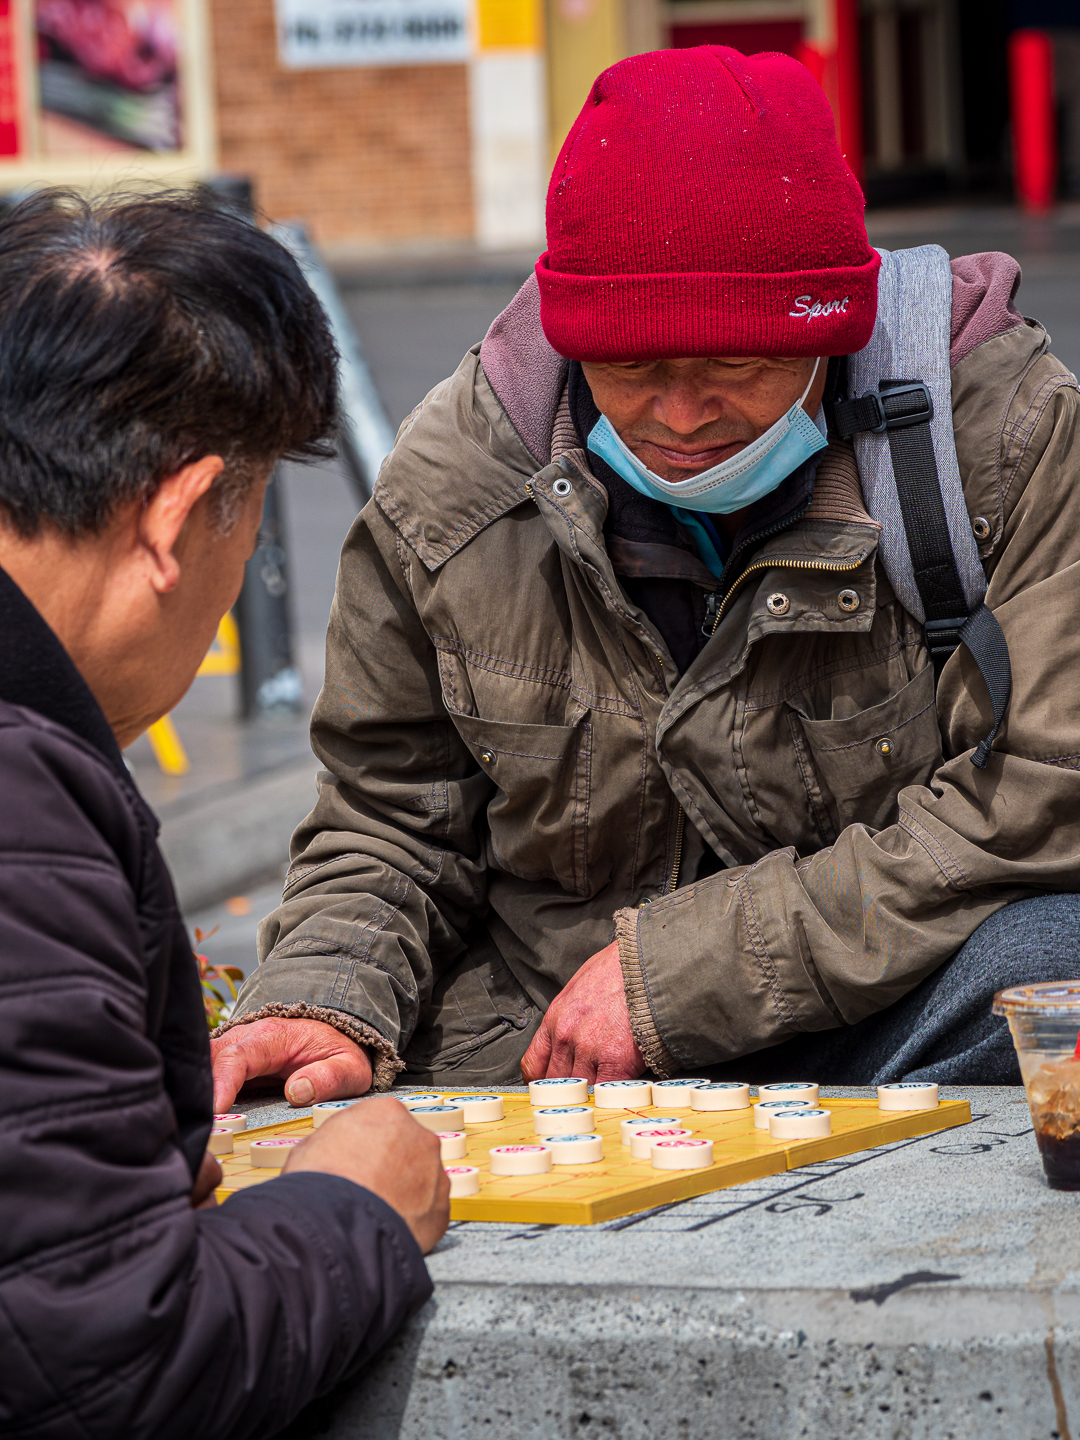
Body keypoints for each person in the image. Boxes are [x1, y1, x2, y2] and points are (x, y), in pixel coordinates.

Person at [212, 45, 1080, 1113]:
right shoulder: (458, 487)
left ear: (833, 337)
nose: (680, 418)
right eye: (632, 370)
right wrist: (319, 995)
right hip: (552, 1051)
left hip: (880, 1019)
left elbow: (1046, 795)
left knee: (1056, 957)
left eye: (736, 368)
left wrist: (681, 976)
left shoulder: (999, 435)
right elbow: (390, 814)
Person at [0, 189, 448, 1440]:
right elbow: (102, 1365)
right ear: (181, 515)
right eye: (242, 536)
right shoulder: (20, 804)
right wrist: (353, 1213)